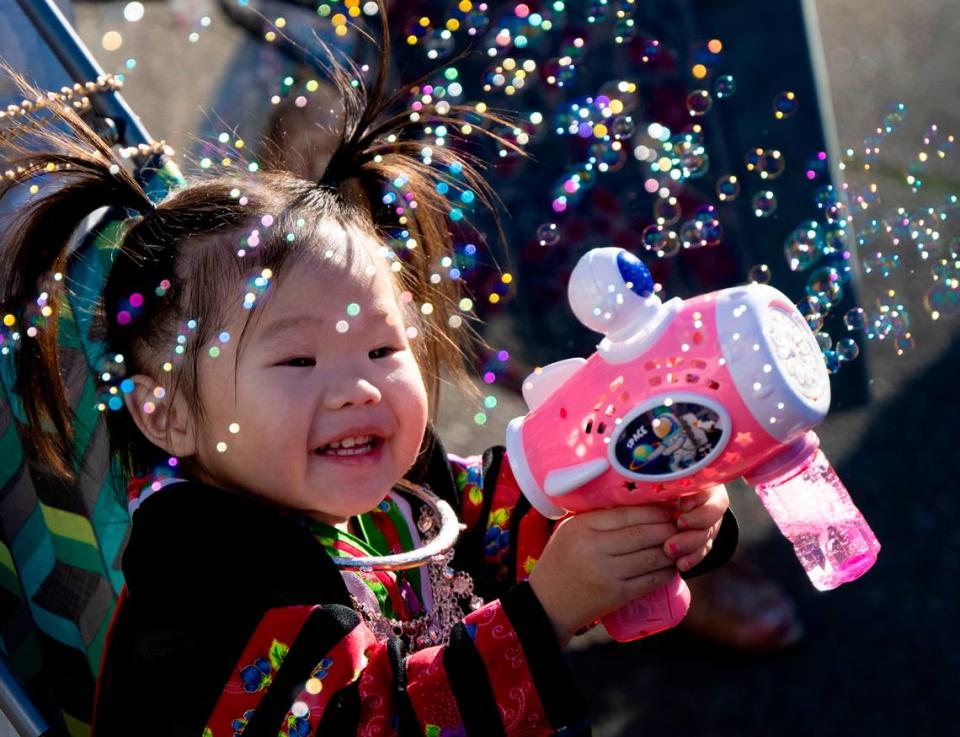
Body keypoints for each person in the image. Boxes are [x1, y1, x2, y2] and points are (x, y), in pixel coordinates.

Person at [0, 18, 736, 737]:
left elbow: (510, 509)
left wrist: (632, 495)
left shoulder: (396, 478)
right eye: (297, 360)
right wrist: (544, 614)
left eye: (383, 350)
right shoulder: (201, 581)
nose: (360, 386)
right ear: (168, 416)